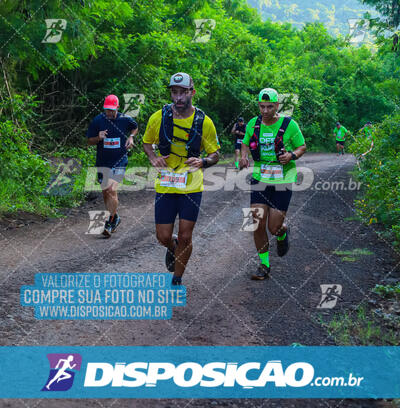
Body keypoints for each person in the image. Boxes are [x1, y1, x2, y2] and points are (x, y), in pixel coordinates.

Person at [142, 72, 220, 286]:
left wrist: (203, 162)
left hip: (191, 186)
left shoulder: (204, 122)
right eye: (174, 92)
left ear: (192, 93)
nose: (178, 97)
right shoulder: (158, 117)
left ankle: (177, 278)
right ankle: (172, 248)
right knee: (163, 236)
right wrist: (153, 158)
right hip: (166, 185)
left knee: (186, 235)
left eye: (183, 92)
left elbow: (215, 154)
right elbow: (147, 143)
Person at [239, 88, 306, 280]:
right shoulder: (253, 123)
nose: (265, 110)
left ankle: (283, 232)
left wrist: (292, 155)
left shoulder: (289, 124)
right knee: (257, 223)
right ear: (258, 106)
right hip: (260, 178)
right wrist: (243, 157)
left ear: (277, 106)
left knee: (273, 227)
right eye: (262, 106)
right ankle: (264, 264)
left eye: (270, 106)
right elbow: (245, 142)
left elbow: (302, 146)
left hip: (283, 180)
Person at [86, 94, 138, 237]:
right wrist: (98, 137)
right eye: (107, 110)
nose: (109, 113)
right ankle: (115, 216)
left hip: (120, 160)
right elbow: (89, 141)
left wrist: (131, 137)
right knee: (105, 192)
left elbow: (135, 127)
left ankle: (110, 221)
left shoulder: (125, 120)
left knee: (111, 189)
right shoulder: (97, 121)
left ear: (118, 108)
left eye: (112, 110)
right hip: (103, 162)